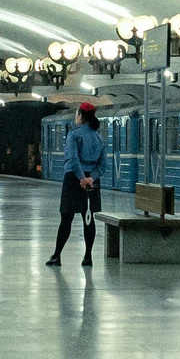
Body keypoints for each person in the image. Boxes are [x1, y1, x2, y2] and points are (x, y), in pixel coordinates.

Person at [46, 102, 108, 267]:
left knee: (66, 218)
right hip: (92, 181)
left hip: (74, 179)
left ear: (81, 116)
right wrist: (91, 178)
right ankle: (88, 257)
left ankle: (56, 256)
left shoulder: (74, 135)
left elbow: (73, 160)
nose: (75, 118)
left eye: (76, 115)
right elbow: (103, 166)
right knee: (88, 218)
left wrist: (82, 178)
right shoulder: (99, 137)